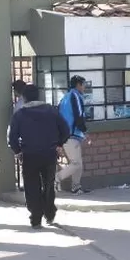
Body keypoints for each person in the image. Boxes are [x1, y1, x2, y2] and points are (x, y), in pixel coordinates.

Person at [8, 84, 70, 229]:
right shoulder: (52, 111)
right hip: (49, 153)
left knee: (31, 186)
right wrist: (59, 144)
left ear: (24, 98)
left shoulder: (20, 114)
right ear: (39, 96)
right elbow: (65, 130)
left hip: (29, 154)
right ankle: (49, 213)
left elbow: (12, 137)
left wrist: (18, 151)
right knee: (49, 184)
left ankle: (36, 217)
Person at [57, 75, 91, 195]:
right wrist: (85, 131)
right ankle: (56, 179)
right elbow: (79, 116)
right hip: (71, 135)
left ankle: (76, 187)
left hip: (67, 135)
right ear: (78, 85)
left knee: (79, 164)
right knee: (76, 164)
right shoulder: (75, 96)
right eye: (83, 84)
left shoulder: (64, 98)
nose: (85, 87)